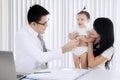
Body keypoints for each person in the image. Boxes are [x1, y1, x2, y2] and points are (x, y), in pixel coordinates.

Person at [14, 4, 79, 73]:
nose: (47, 25)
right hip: (25, 75)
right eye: (44, 23)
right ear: (33, 24)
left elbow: (44, 52)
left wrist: (67, 48)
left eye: (47, 22)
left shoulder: (37, 34)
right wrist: (63, 49)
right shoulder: (22, 35)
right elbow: (40, 57)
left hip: (38, 73)